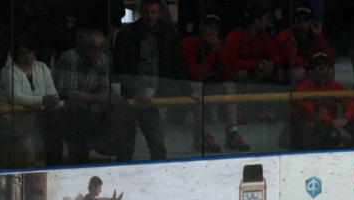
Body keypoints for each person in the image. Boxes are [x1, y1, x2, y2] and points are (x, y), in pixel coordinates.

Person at [112, 0, 186, 161]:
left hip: (152, 97)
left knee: (157, 146)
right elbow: (120, 67)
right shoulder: (127, 34)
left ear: (159, 13)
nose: (150, 16)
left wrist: (186, 88)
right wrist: (133, 91)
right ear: (141, 12)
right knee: (125, 149)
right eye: (147, 12)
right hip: (130, 98)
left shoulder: (167, 33)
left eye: (153, 12)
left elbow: (174, 63)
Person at [53, 28, 133, 163]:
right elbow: (69, 94)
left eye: (100, 48)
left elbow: (105, 91)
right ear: (83, 46)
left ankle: (122, 158)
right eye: (92, 48)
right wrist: (95, 97)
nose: (96, 52)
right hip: (63, 109)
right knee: (77, 108)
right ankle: (80, 158)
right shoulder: (71, 57)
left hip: (91, 107)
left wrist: (97, 98)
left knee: (122, 105)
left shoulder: (103, 60)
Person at [178, 13, 249, 153]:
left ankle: (233, 133)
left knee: (229, 86)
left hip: (209, 84)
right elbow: (195, 74)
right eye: (208, 27)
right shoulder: (188, 44)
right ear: (200, 28)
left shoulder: (219, 45)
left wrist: (219, 52)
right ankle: (204, 135)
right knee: (197, 88)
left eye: (215, 28)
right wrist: (211, 53)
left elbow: (227, 73)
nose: (212, 31)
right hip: (185, 85)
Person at [0, 37, 62, 167]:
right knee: (20, 162)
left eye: (30, 52)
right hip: (13, 126)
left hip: (38, 122)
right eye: (23, 53)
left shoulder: (42, 67)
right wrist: (41, 99)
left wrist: (52, 101)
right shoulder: (10, 71)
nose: (27, 56)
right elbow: (16, 97)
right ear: (16, 55)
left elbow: (52, 94)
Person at [290, 51, 354, 150]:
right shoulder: (303, 87)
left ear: (329, 69)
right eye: (318, 64)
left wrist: (346, 118)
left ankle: (348, 156)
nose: (321, 67)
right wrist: (334, 125)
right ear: (311, 70)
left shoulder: (334, 85)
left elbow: (352, 103)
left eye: (324, 64)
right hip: (309, 127)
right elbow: (311, 112)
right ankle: (309, 158)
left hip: (332, 125)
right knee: (309, 125)